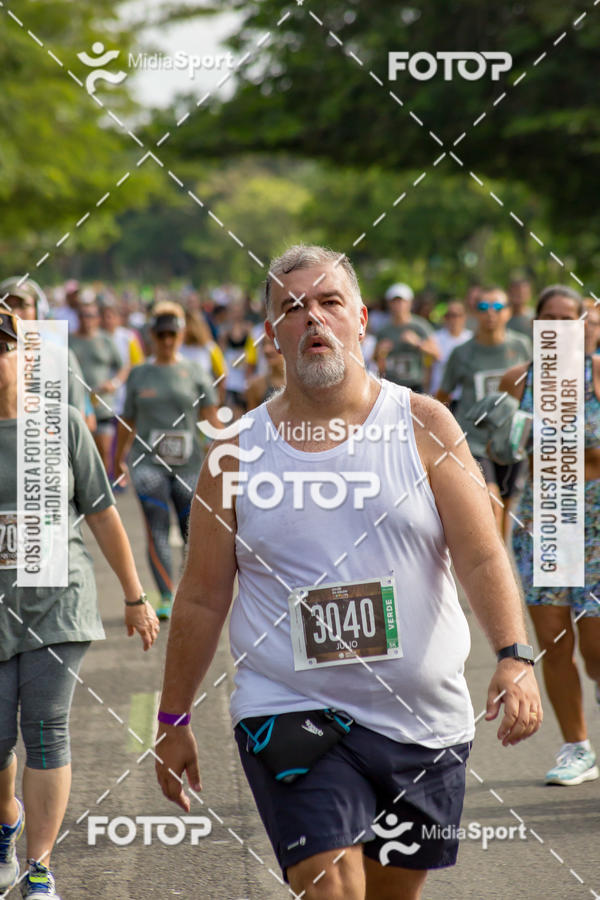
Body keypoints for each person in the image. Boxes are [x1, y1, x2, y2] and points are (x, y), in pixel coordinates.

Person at [155, 245, 541, 900]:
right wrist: (172, 721)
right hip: (290, 708)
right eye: (292, 308)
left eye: (329, 302)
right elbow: (200, 596)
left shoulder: (423, 424)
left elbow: (479, 553)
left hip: (421, 721)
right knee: (330, 885)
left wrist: (514, 654)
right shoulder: (235, 453)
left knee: (392, 893)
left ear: (361, 318)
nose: (314, 319)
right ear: (271, 332)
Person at [0, 311, 159, 899]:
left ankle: (38, 863)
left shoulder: (59, 425)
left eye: (4, 347)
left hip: (56, 601)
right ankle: (7, 823)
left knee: (45, 729)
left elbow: (101, 512)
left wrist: (136, 596)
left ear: (26, 357)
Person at [502, 286, 600, 786]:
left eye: (571, 318)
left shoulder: (599, 376)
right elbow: (500, 458)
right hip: (544, 520)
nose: (561, 327)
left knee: (596, 645)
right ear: (536, 325)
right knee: (554, 640)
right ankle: (577, 748)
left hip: (595, 518)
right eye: (551, 319)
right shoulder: (519, 380)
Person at [114, 302, 219, 621]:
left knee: (191, 530)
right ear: (152, 337)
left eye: (172, 335)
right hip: (147, 465)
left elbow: (211, 420)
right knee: (157, 526)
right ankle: (166, 593)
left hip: (188, 464)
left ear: (182, 335)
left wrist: (219, 458)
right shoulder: (139, 374)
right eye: (161, 336)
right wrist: (118, 460)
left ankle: (189, 589)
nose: (167, 341)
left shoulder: (196, 372)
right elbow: (127, 420)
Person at [436, 287, 532, 537]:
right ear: (474, 314)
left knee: (508, 506)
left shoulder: (521, 346)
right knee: (492, 500)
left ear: (508, 312)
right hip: (475, 439)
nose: (491, 313)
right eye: (483, 308)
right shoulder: (462, 353)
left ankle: (501, 560)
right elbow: (443, 395)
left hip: (512, 440)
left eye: (498, 307)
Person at [70, 302, 127, 471]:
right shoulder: (68, 340)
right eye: (82, 315)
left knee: (103, 451)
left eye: (90, 315)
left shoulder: (106, 340)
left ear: (97, 319)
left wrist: (114, 383)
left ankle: (103, 491)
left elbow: (124, 367)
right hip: (76, 404)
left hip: (102, 404)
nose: (86, 319)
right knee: (78, 454)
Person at [374, 283, 440, 392]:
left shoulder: (420, 326)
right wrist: (380, 351)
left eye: (402, 301)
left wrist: (418, 343)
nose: (398, 305)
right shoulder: (384, 330)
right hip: (391, 386)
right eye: (394, 301)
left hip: (415, 385)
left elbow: (437, 354)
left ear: (410, 303)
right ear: (389, 304)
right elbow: (375, 358)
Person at [427, 301, 472, 402]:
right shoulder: (435, 338)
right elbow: (428, 368)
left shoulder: (471, 338)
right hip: (440, 395)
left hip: (463, 396)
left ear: (464, 317)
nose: (453, 319)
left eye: (457, 315)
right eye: (449, 316)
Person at [180, 310, 227, 403]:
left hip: (204, 399)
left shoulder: (210, 348)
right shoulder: (178, 348)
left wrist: (219, 398)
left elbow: (222, 375)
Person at [246, 333, 285, 410]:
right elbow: (251, 420)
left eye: (273, 343)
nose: (266, 349)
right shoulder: (256, 386)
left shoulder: (303, 384)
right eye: (264, 344)